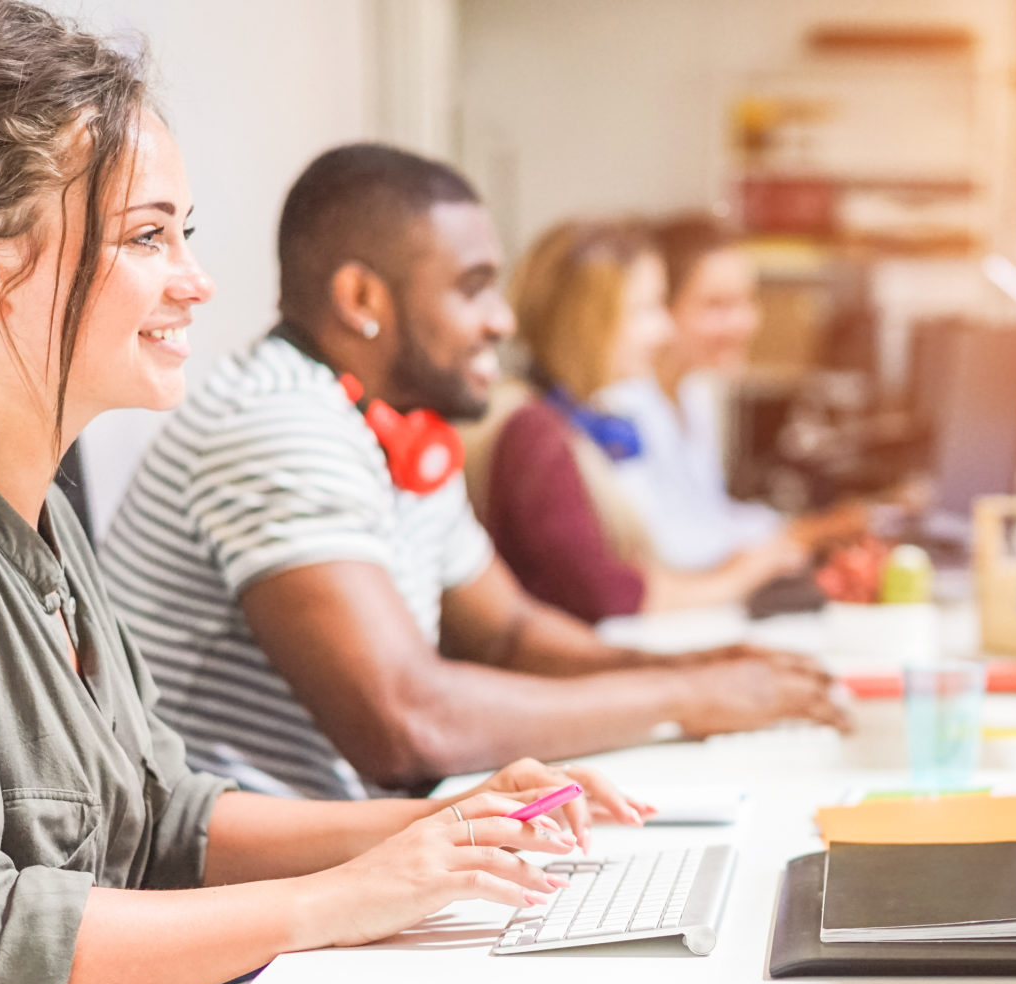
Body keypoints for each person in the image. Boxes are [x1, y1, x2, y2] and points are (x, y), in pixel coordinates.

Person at [0, 5, 634, 984]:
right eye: (147, 236)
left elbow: (165, 822)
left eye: (185, 232)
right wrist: (342, 900)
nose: (195, 281)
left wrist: (439, 823)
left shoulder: (35, 520)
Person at [101, 144, 847, 803]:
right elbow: (405, 721)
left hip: (342, 852)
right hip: (250, 899)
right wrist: (689, 695)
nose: (503, 320)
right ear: (363, 299)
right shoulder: (280, 421)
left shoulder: (392, 422)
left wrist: (701, 668)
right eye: (472, 287)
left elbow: (509, 634)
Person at [472, 218, 809, 623]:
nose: (664, 330)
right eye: (645, 310)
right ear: (589, 322)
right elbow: (607, 592)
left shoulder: (576, 418)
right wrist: (746, 573)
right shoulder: (536, 434)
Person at [598, 212, 868, 578]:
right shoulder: (617, 406)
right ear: (661, 305)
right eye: (717, 306)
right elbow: (666, 545)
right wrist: (804, 535)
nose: (745, 323)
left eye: (747, 301)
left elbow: (709, 516)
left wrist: (809, 528)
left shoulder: (694, 392)